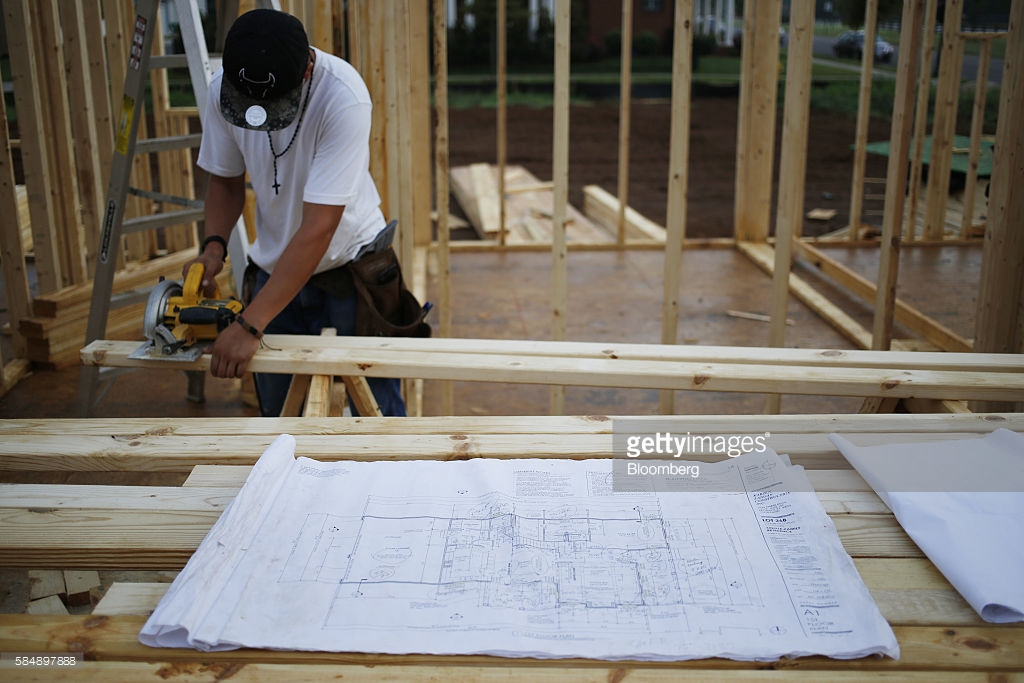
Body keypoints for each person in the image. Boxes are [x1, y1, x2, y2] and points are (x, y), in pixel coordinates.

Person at [184, 8, 406, 417]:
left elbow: (320, 227)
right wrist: (213, 248)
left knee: (378, 415)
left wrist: (250, 324)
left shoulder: (342, 97)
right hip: (277, 274)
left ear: (306, 70)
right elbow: (225, 181)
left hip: (349, 267)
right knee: (281, 421)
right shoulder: (222, 89)